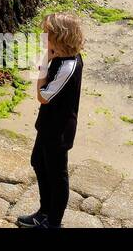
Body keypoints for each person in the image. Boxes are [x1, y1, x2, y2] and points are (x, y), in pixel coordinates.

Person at [17, 13, 84, 230]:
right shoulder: (61, 56)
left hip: (59, 129)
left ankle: (53, 222)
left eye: (46, 34)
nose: (43, 37)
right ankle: (44, 211)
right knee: (38, 161)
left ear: (59, 37)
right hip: (48, 123)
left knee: (57, 175)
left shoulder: (68, 66)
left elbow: (42, 96)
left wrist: (43, 67)